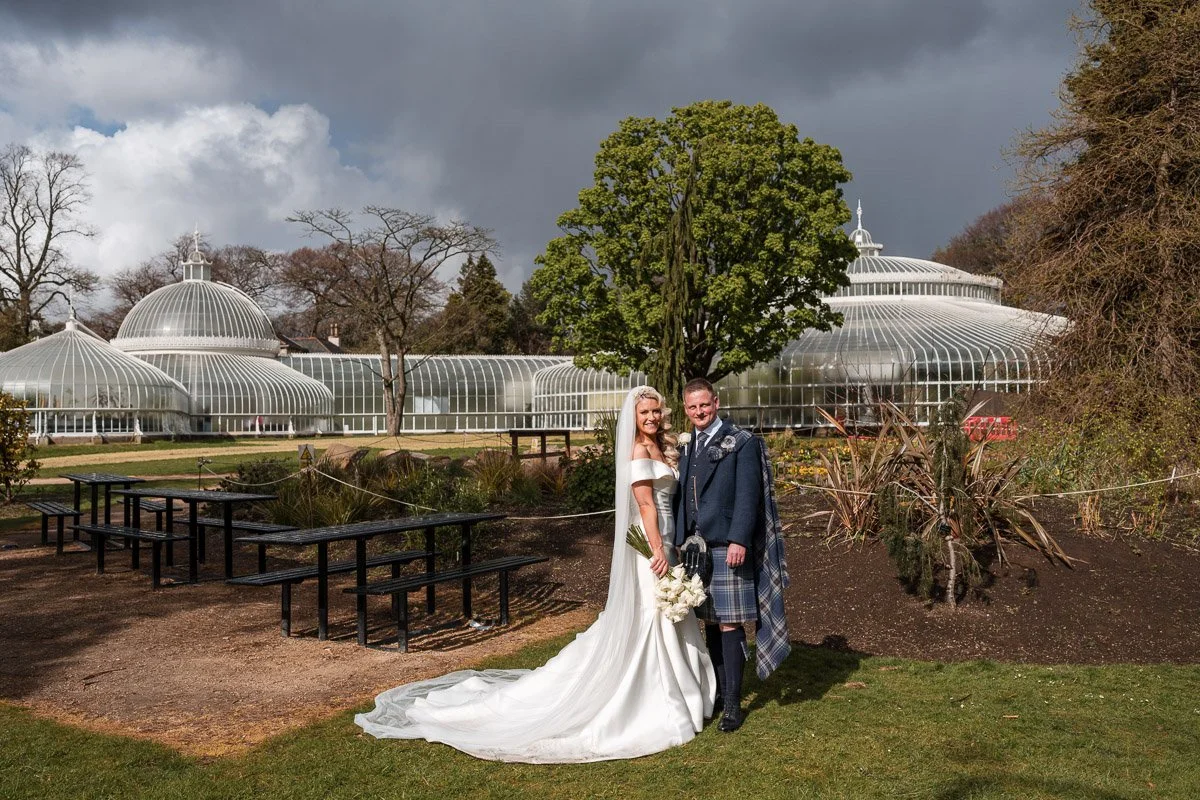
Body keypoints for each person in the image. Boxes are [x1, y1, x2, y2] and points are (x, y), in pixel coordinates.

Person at [355, 386, 716, 762]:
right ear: (634, 418)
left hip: (668, 540)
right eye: (644, 414)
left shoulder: (665, 447)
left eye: (655, 412)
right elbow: (644, 504)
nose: (652, 418)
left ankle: (683, 688)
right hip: (650, 544)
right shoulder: (638, 450)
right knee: (649, 616)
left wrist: (671, 546)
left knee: (666, 614)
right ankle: (654, 700)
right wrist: (658, 549)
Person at [673, 377, 791, 733]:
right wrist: (680, 540)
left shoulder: (741, 442)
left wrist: (740, 539)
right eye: (692, 407)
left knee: (729, 622)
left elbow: (748, 495)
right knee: (710, 621)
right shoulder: (688, 444)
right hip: (695, 548)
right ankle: (722, 695)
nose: (699, 412)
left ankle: (734, 705)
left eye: (704, 405)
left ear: (717, 402)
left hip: (727, 546)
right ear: (686, 409)